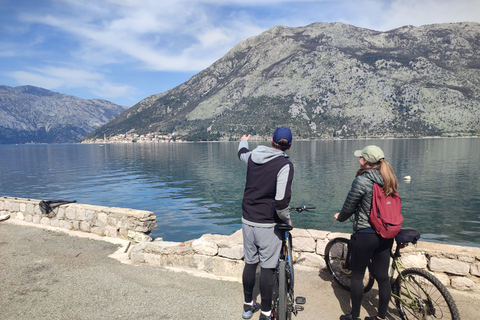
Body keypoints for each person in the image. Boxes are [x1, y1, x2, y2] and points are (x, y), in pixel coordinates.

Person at [333, 145, 398, 320]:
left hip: (366, 233)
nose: (359, 159)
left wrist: (340, 217)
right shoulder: (389, 178)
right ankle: (381, 317)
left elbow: (349, 207)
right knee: (383, 277)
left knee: (357, 275)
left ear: (367, 161)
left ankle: (354, 316)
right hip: (386, 233)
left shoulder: (362, 180)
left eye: (361, 157)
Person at [238, 127, 294, 320]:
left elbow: (241, 153)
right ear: (289, 146)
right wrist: (286, 219)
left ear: (272, 141)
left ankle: (247, 306)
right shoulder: (284, 165)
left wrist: (243, 140)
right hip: (268, 224)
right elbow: (280, 202)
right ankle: (266, 313)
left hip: (247, 220)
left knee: (251, 263)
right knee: (268, 268)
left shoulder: (253, 156)